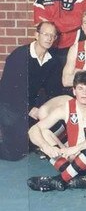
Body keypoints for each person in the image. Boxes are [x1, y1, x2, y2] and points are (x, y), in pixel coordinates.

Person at [27, 71, 86, 192]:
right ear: (74, 91)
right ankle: (76, 180)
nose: (84, 93)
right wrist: (45, 146)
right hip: (73, 160)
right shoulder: (66, 107)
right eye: (80, 88)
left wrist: (77, 148)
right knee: (44, 133)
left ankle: (59, 179)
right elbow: (33, 130)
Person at [0, 22, 63, 161]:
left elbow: (53, 90)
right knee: (14, 154)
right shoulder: (19, 56)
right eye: (45, 34)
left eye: (53, 35)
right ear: (36, 35)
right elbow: (8, 90)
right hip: (10, 104)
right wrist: (29, 109)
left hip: (33, 102)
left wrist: (46, 109)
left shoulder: (53, 61)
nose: (49, 38)